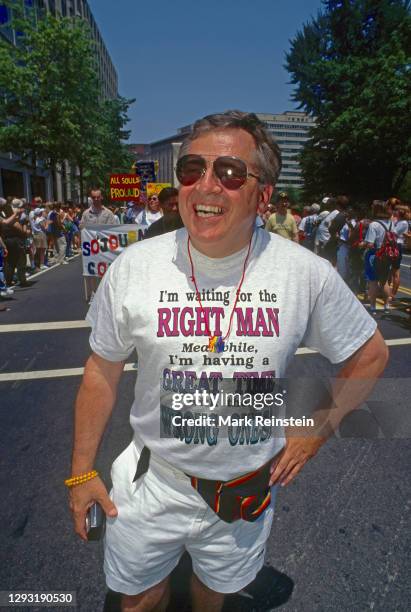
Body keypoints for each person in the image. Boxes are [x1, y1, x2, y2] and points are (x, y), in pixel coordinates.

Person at [68, 110, 388, 612]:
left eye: (231, 172)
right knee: (137, 600)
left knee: (212, 595)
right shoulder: (136, 266)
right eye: (193, 170)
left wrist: (317, 427)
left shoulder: (306, 275)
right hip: (154, 480)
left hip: (246, 489)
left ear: (263, 195)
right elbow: (101, 369)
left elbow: (370, 356)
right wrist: (81, 471)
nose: (206, 185)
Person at [364, 199, 395, 314]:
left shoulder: (374, 224)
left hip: (374, 254)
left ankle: (373, 307)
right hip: (387, 255)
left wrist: (364, 244)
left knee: (373, 281)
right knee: (384, 281)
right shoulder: (391, 223)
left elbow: (370, 243)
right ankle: (386, 305)